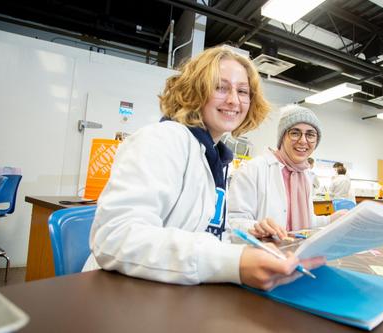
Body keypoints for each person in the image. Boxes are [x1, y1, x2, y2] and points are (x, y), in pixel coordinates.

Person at [82, 46, 324, 291]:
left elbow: (202, 231)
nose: (233, 100)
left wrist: (251, 236)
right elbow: (115, 237)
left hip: (168, 291)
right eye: (220, 87)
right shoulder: (162, 139)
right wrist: (235, 262)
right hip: (117, 294)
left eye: (242, 91)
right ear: (196, 90)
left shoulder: (213, 157)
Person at [228, 105, 346, 240]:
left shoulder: (306, 175)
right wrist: (256, 227)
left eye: (310, 134)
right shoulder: (253, 169)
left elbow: (305, 221)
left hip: (298, 254)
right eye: (295, 133)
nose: (303, 141)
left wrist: (330, 219)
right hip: (263, 255)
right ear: (282, 137)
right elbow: (233, 220)